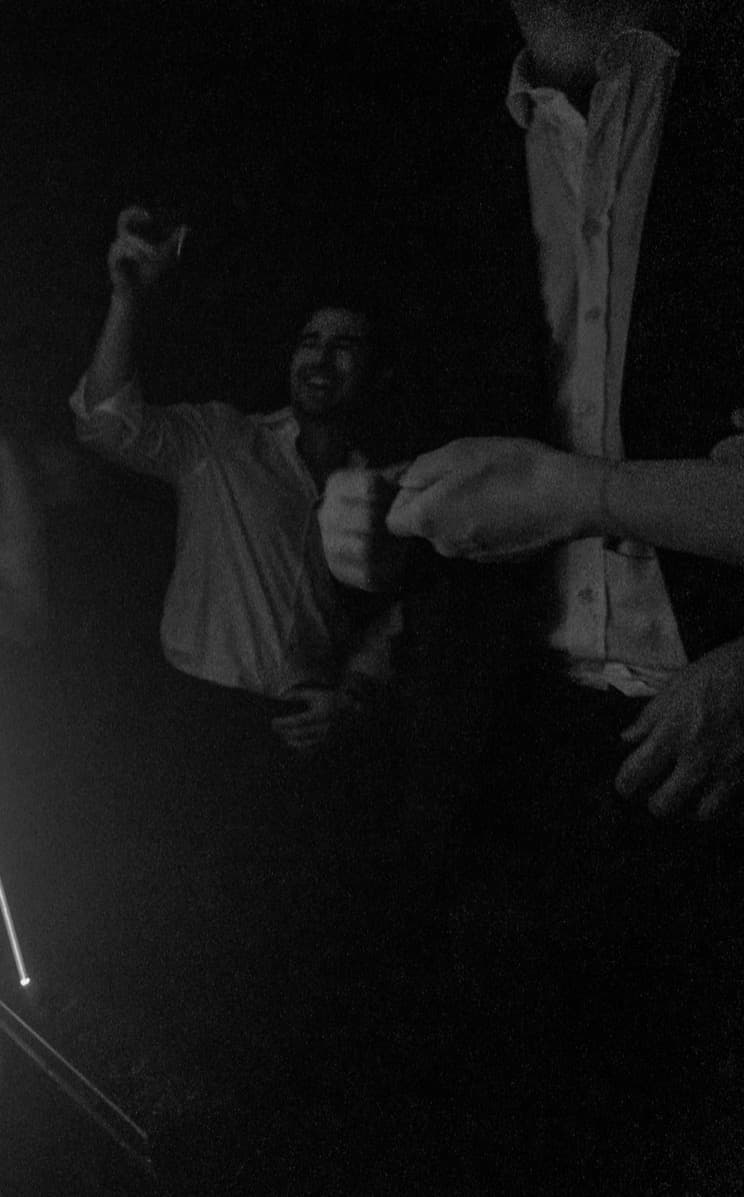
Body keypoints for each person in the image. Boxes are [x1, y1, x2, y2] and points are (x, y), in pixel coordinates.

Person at [318, 1, 744, 1186]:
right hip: (510, 750)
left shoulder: (715, 89)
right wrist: (356, 514)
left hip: (711, 727)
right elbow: (418, 439)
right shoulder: (445, 147)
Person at [70, 205, 403, 786]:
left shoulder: (389, 485)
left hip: (305, 734)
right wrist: (126, 298)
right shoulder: (226, 440)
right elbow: (105, 425)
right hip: (193, 717)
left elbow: (398, 618)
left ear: (376, 373)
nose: (321, 357)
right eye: (310, 342)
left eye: (344, 345)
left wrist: (352, 697)